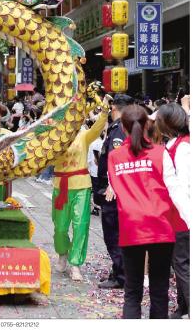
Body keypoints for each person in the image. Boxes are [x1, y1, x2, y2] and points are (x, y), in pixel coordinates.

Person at [108, 104, 190, 319]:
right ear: (147, 125)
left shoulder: (114, 157)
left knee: (132, 293)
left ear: (123, 128)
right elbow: (174, 189)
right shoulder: (161, 153)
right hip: (161, 226)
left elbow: (116, 187)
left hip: (131, 227)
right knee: (160, 291)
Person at [52, 97, 109, 281]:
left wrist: (104, 112)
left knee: (80, 225)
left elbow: (97, 129)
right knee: (60, 227)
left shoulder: (83, 135)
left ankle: (75, 263)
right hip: (60, 186)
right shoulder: (54, 136)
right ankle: (62, 253)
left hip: (81, 186)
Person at [95, 92, 134, 289]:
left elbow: (117, 159)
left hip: (113, 190)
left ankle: (121, 276)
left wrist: (112, 185)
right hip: (120, 188)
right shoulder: (128, 127)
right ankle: (120, 271)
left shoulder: (119, 129)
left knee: (113, 234)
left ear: (114, 109)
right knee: (118, 233)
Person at [156, 102, 190, 318]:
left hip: (182, 217)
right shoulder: (175, 144)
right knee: (180, 264)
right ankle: (182, 306)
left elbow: (183, 187)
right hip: (175, 216)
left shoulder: (183, 148)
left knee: (182, 264)